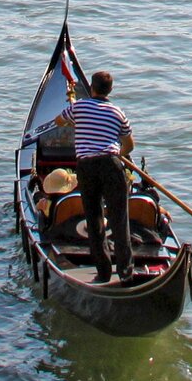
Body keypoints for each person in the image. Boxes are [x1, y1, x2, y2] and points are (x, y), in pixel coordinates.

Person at [64, 70, 138, 285]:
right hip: (111, 165)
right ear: (111, 90)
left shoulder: (78, 107)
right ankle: (126, 272)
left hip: (86, 166)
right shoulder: (117, 112)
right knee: (119, 219)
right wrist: (115, 154)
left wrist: (75, 117)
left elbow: (60, 121)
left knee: (94, 221)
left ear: (91, 88)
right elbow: (129, 145)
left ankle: (104, 272)